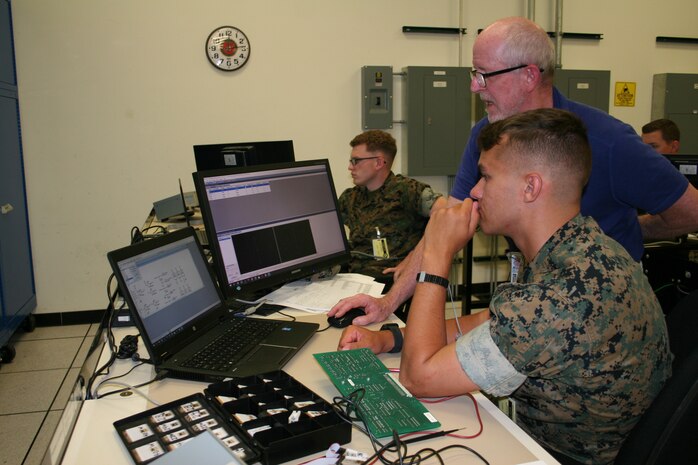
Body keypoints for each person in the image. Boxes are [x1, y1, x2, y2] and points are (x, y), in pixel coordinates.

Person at [337, 109, 672, 465]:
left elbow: (418, 378)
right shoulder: (583, 245)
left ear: (531, 186)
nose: (474, 191)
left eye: (485, 177)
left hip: (555, 456)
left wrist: (436, 255)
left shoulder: (562, 296)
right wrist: (390, 338)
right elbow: (490, 322)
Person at [329, 16, 698, 326]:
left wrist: (627, 233)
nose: (475, 87)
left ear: (529, 76)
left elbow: (690, 211)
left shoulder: (609, 141)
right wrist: (388, 303)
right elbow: (448, 220)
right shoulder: (485, 135)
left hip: (600, 315)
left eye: (484, 75)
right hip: (532, 303)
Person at [338, 129, 444, 278]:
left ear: (379, 162)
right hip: (353, 278)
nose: (350, 167)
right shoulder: (350, 197)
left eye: (356, 161)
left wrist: (414, 258)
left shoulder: (408, 191)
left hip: (390, 281)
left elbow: (449, 216)